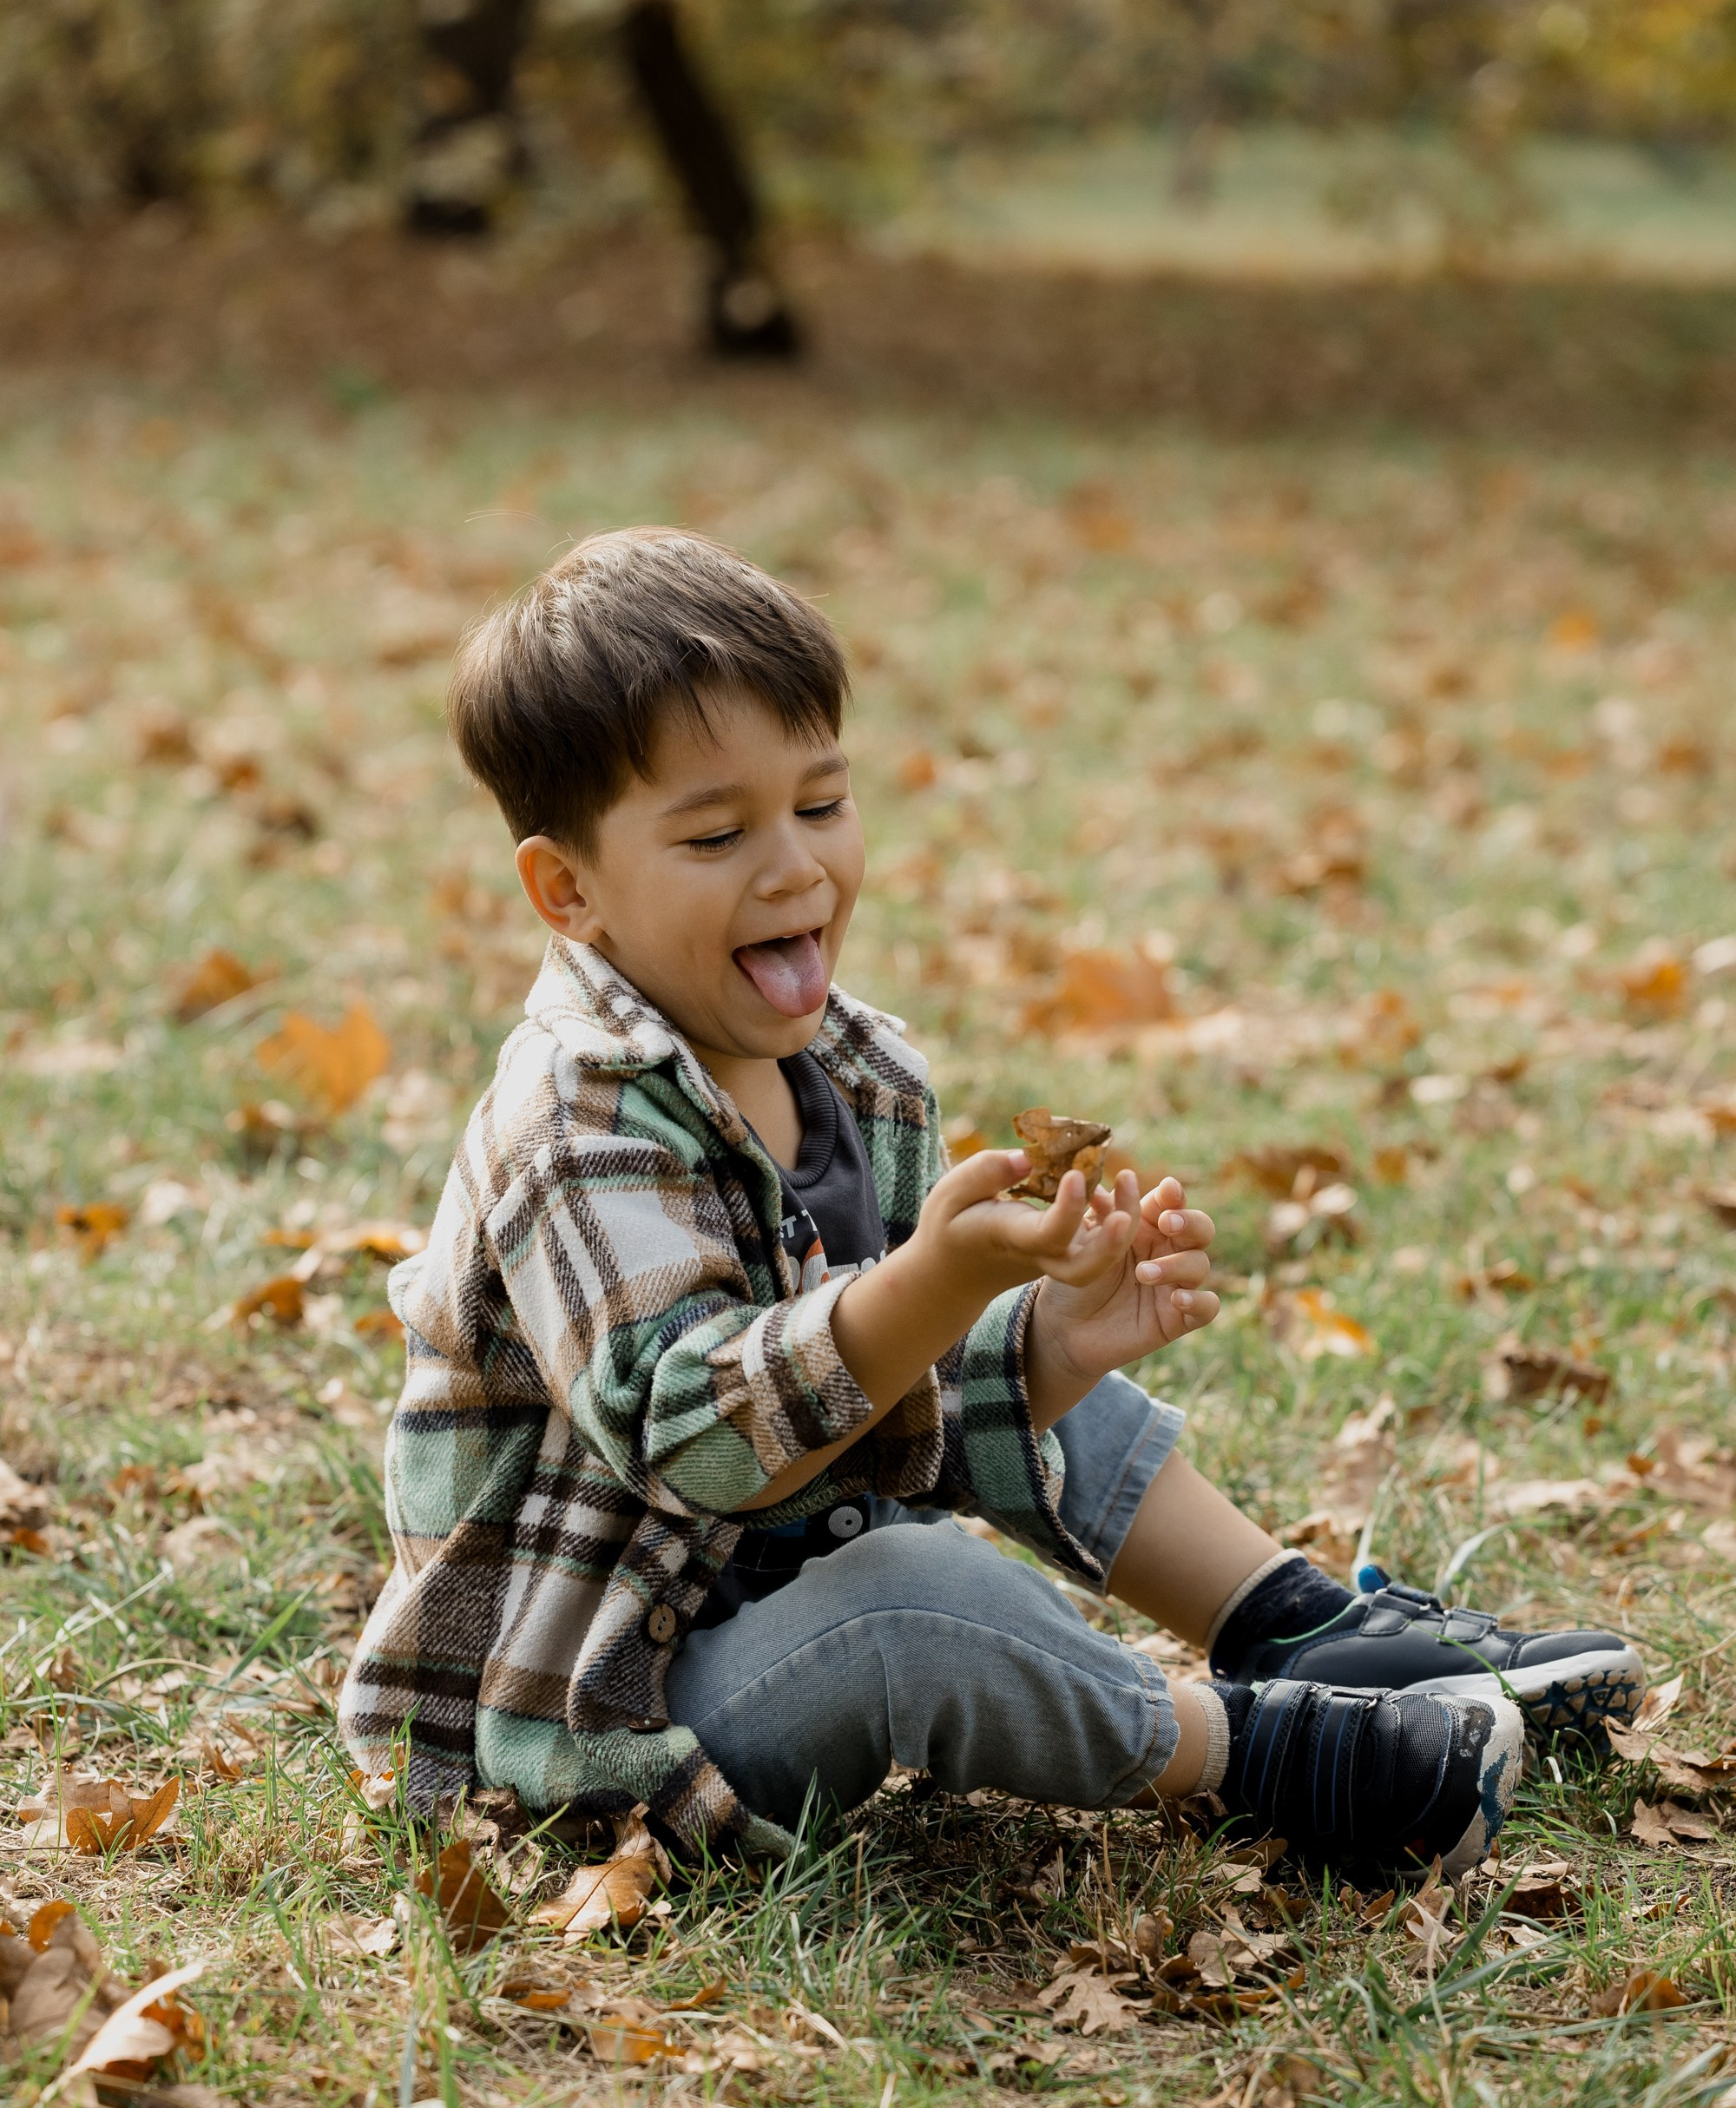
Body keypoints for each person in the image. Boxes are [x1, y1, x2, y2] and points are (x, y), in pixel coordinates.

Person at [339, 529, 1643, 1885]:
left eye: (822, 805)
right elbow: (703, 1447)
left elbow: (888, 1416)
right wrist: (934, 1287)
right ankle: (1269, 1755)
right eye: (718, 834)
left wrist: (1047, 1347)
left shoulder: (861, 1074)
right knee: (918, 1600)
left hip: (790, 1583)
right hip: (605, 1729)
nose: (792, 868)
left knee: (1030, 1372)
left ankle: (1306, 1628)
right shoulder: (573, 1123)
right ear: (569, 891)